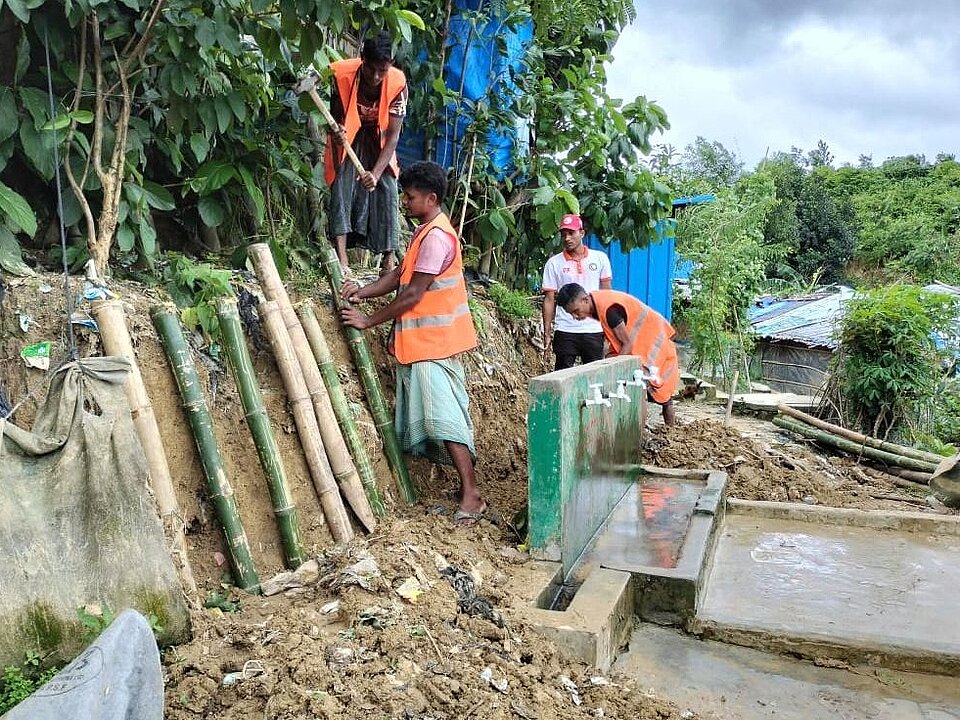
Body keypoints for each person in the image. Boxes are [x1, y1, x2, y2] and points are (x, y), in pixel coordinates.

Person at [339, 161, 485, 525]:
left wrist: (369, 320)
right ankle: (468, 491)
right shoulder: (427, 230)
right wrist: (363, 290)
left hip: (434, 345)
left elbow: (413, 295)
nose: (404, 202)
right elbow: (400, 278)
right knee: (441, 419)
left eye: (410, 197)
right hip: (426, 344)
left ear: (431, 198)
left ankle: (472, 494)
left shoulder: (436, 237)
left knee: (446, 421)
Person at [325, 31, 407, 276]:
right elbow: (336, 115)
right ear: (362, 59)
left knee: (388, 187)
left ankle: (389, 261)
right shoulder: (342, 76)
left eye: (382, 71)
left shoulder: (398, 85)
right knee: (342, 183)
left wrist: (375, 172)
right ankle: (342, 258)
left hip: (380, 140)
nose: (376, 76)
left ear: (390, 66)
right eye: (371, 69)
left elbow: (393, 136)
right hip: (351, 136)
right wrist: (338, 130)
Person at [555, 282, 678, 426]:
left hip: (654, 347)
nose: (576, 317)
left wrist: (613, 368)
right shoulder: (601, 303)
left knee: (653, 394)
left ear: (585, 300)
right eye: (572, 314)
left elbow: (628, 343)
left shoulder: (609, 310)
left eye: (576, 311)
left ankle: (667, 434)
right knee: (648, 392)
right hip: (647, 346)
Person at [541, 214, 612, 370]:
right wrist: (547, 331)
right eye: (563, 234)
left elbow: (607, 296)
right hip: (565, 329)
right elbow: (549, 299)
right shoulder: (554, 263)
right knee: (562, 376)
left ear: (582, 233)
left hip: (594, 329)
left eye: (571, 233)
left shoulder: (600, 259)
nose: (567, 238)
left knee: (595, 377)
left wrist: (608, 328)